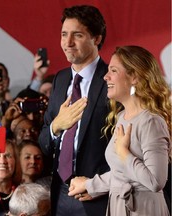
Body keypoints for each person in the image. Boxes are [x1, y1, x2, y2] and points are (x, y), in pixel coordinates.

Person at [68, 46, 171, 216]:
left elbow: (155, 181)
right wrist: (89, 185)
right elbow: (122, 176)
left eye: (113, 70)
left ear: (135, 77)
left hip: (144, 210)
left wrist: (124, 153)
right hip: (119, 207)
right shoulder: (122, 116)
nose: (105, 77)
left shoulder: (151, 122)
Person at [38, 5, 110, 216]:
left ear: (96, 38)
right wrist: (56, 126)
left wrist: (98, 185)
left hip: (96, 194)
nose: (67, 43)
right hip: (60, 191)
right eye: (63, 35)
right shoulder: (60, 79)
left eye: (77, 35)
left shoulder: (111, 80)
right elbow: (43, 141)